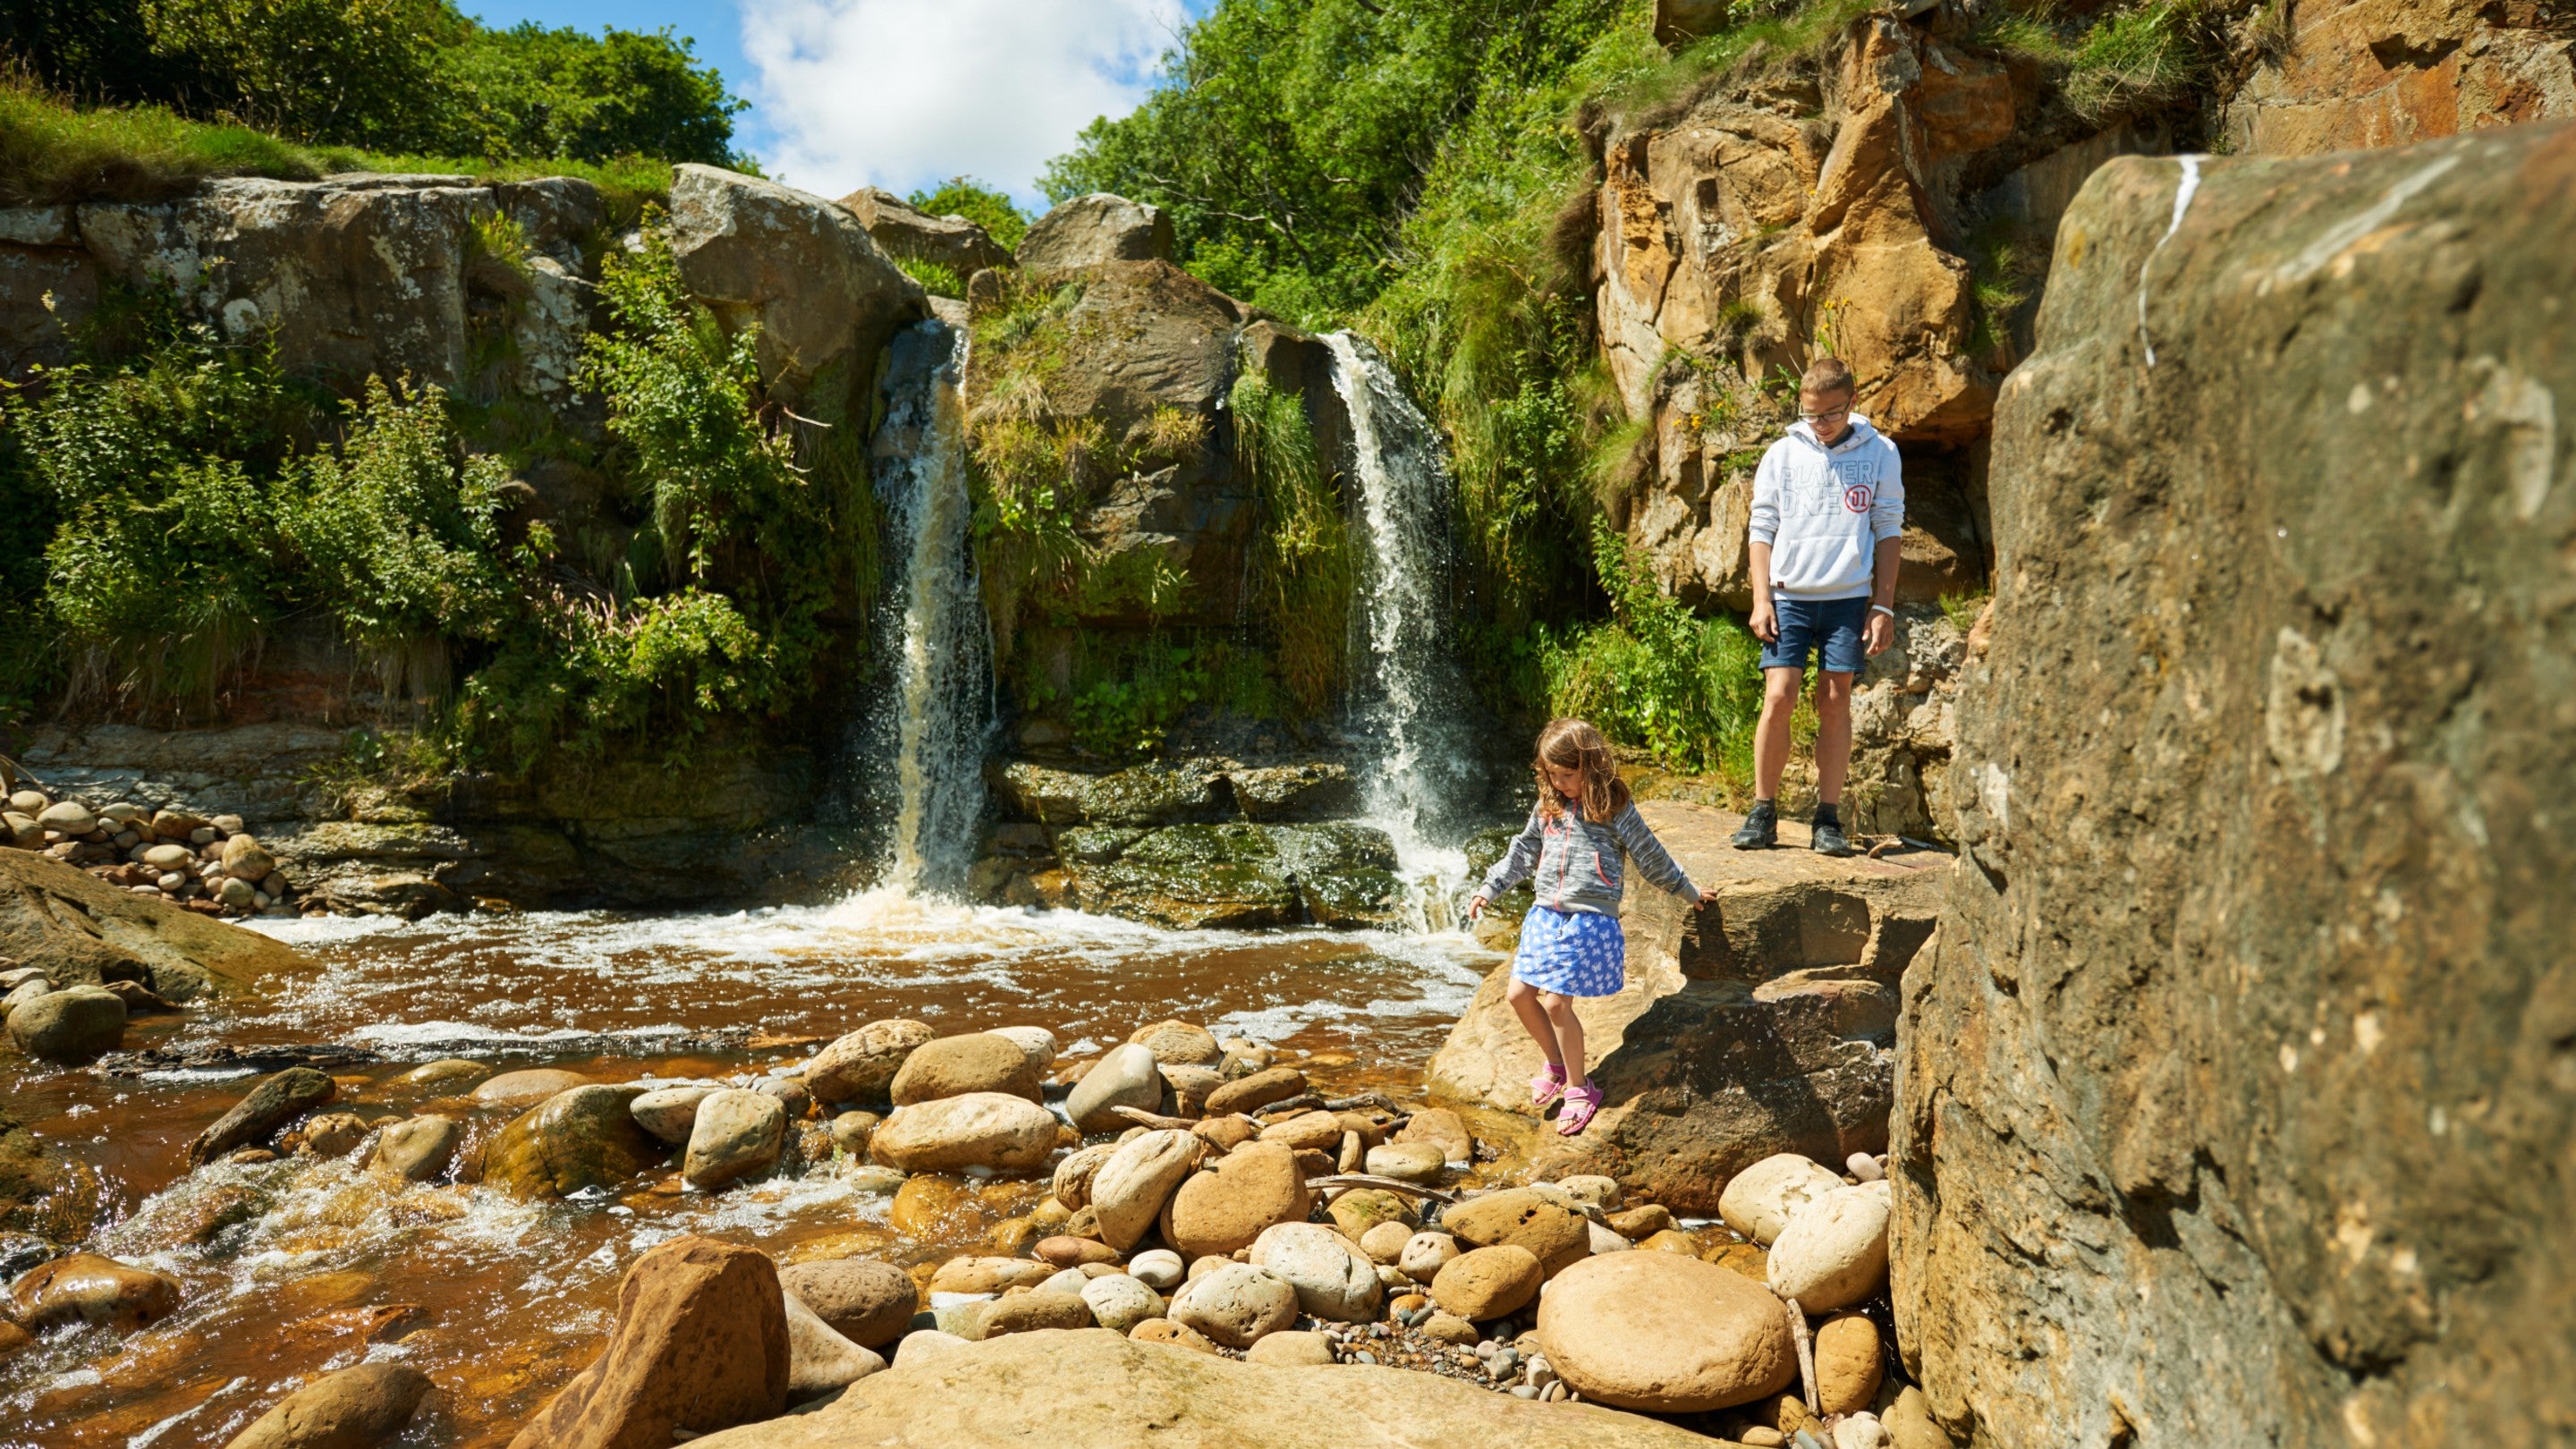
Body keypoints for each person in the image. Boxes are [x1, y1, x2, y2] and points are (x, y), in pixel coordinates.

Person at [1467, 718, 1709, 1136]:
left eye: (1567, 774)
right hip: (1545, 913)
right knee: (1519, 994)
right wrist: (1491, 888)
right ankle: (1558, 1064)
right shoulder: (1550, 803)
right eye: (1551, 774)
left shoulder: (1614, 805)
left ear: (1591, 765)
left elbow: (1650, 855)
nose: (1559, 783)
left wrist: (1687, 890)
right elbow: (1524, 850)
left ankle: (1581, 1089)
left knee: (1558, 1004)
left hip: (1590, 917)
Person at [1733, 357, 1904, 858]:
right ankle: (1763, 811)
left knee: (1834, 702)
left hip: (1848, 597)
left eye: (1829, 414)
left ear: (1851, 402)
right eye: (1810, 415)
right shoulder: (1782, 454)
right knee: (1779, 696)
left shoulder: (1881, 453)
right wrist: (1761, 598)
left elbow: (1889, 527)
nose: (1819, 424)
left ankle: (1826, 820)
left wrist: (1883, 607)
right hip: (1789, 596)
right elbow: (1761, 528)